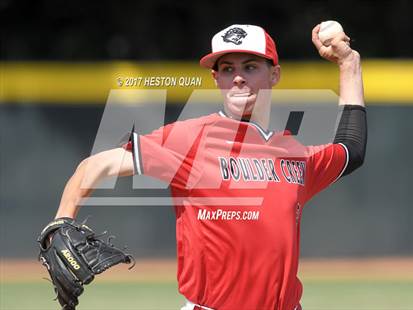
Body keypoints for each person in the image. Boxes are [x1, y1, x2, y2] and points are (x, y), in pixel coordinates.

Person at [52, 24, 367, 310]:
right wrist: (61, 222)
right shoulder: (189, 138)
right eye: (227, 68)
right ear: (216, 79)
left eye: (251, 66)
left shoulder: (294, 155)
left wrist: (349, 63)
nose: (238, 77)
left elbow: (351, 150)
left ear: (274, 75)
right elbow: (95, 166)